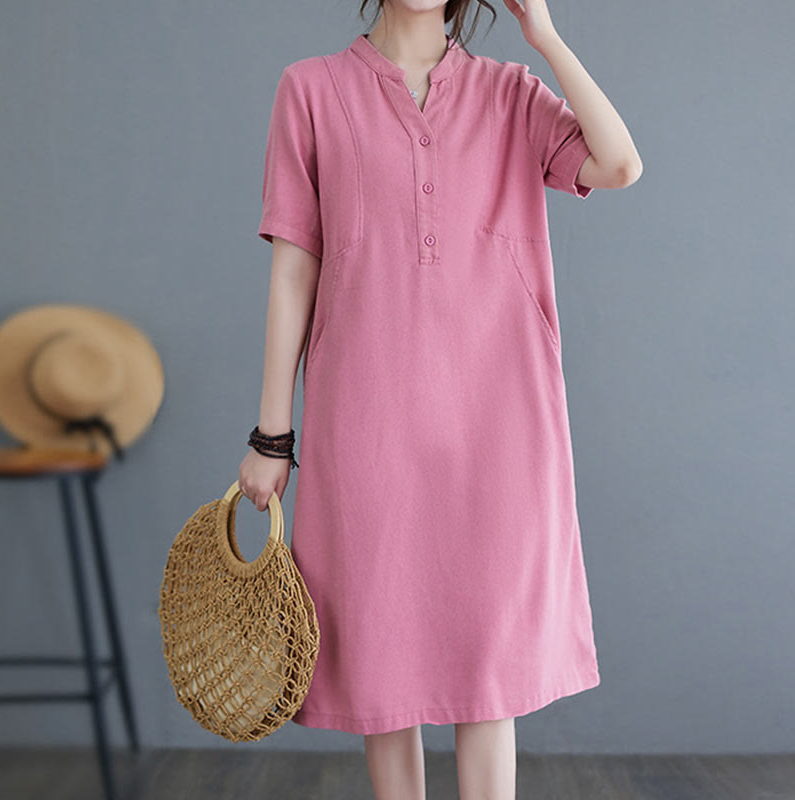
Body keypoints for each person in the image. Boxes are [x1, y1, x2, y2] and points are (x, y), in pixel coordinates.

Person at [239, 1, 642, 798]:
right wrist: (272, 436)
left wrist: (546, 37)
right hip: (366, 419)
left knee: (490, 668)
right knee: (380, 666)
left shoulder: (512, 92)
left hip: (502, 425)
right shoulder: (311, 89)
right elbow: (292, 267)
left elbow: (620, 164)